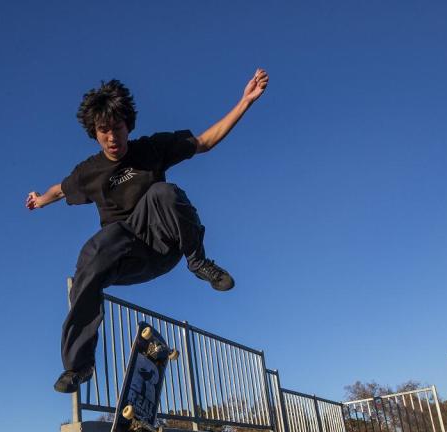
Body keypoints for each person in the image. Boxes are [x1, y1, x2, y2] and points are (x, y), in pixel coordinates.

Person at [26, 69, 269, 393]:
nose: (113, 138)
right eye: (104, 132)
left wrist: (245, 102)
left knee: (162, 193)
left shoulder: (152, 149)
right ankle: (80, 365)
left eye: (118, 129)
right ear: (94, 134)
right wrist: (40, 200)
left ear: (129, 125)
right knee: (93, 251)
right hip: (126, 256)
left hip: (166, 244)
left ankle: (198, 261)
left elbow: (204, 142)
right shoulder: (89, 172)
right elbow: (59, 189)